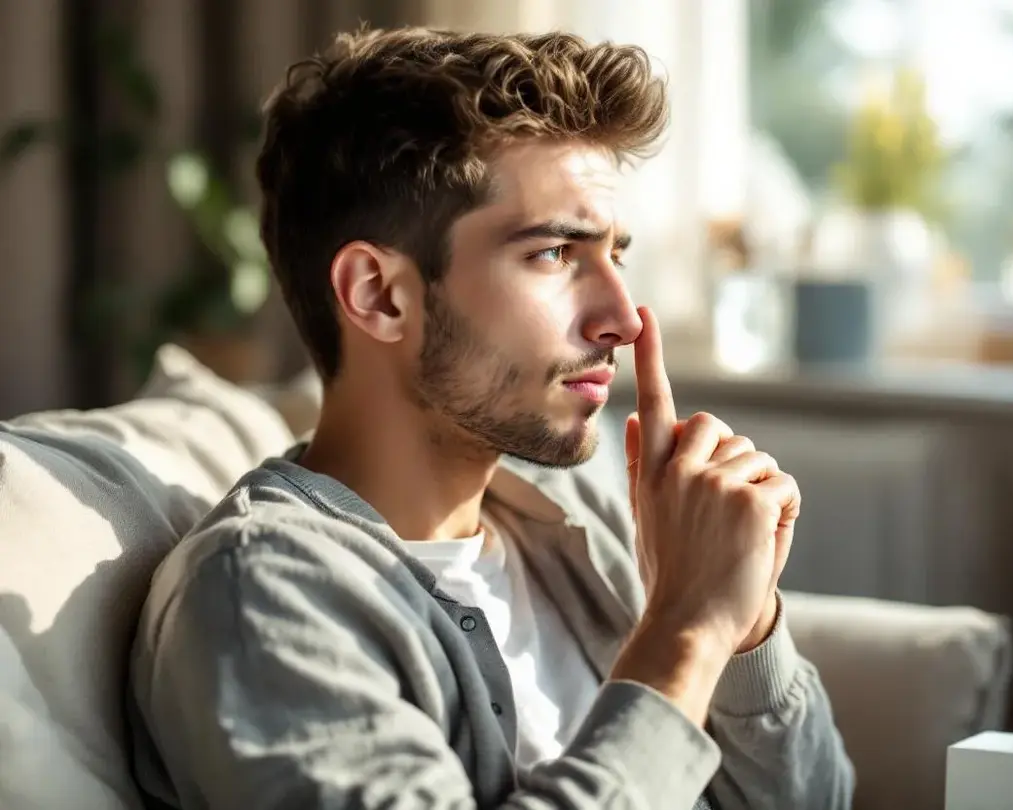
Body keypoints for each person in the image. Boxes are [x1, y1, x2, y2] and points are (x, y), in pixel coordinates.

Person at [126, 26, 855, 810]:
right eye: (553, 254)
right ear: (380, 295)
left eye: (616, 255)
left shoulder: (580, 512)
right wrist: (687, 629)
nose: (623, 318)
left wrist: (743, 621)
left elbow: (818, 799)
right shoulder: (263, 593)